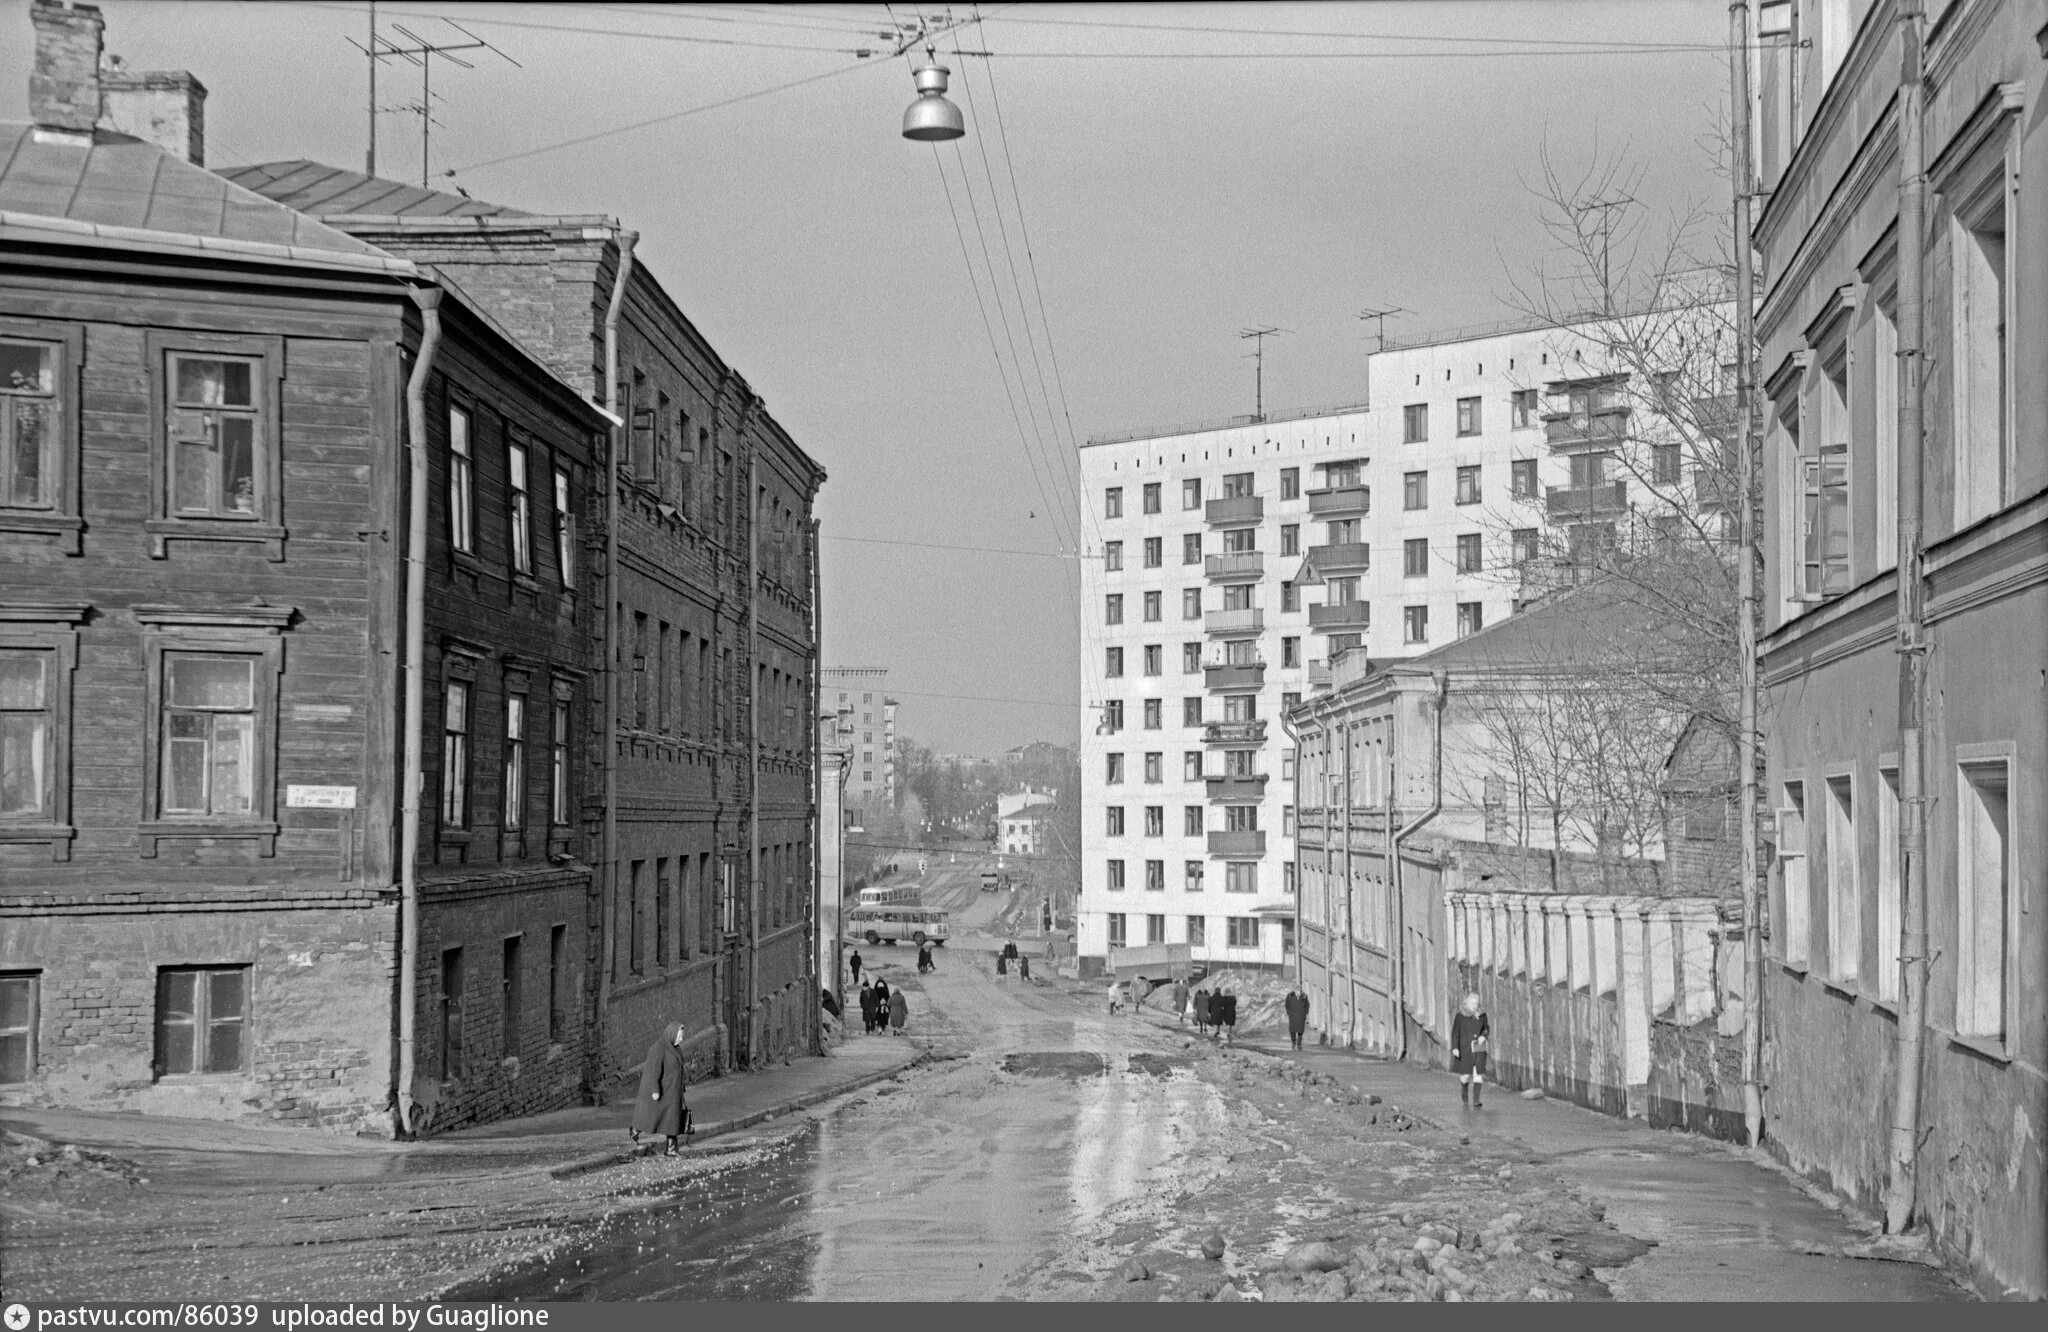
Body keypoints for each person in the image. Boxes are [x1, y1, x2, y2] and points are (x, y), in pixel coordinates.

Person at [629, 1021, 689, 1156]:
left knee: (673, 1120)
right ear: (672, 1034)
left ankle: (671, 1149)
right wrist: (655, 1090)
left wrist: (681, 1087)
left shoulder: (675, 1047)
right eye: (680, 1035)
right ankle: (636, 1129)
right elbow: (652, 1071)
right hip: (663, 1091)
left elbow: (678, 1069)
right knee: (653, 1115)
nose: (681, 1038)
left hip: (673, 1092)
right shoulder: (658, 1048)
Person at [1451, 992, 1491, 1108]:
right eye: (1472, 1003)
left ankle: (1476, 1100)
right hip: (1465, 1050)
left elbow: (1486, 1027)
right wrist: (1455, 1047)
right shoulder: (1460, 1016)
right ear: (1466, 1003)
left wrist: (1484, 1035)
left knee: (1478, 1075)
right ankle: (1465, 1098)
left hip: (1479, 1049)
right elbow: (1455, 1032)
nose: (1475, 1006)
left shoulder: (1482, 1015)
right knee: (1465, 1077)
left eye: (1476, 1003)